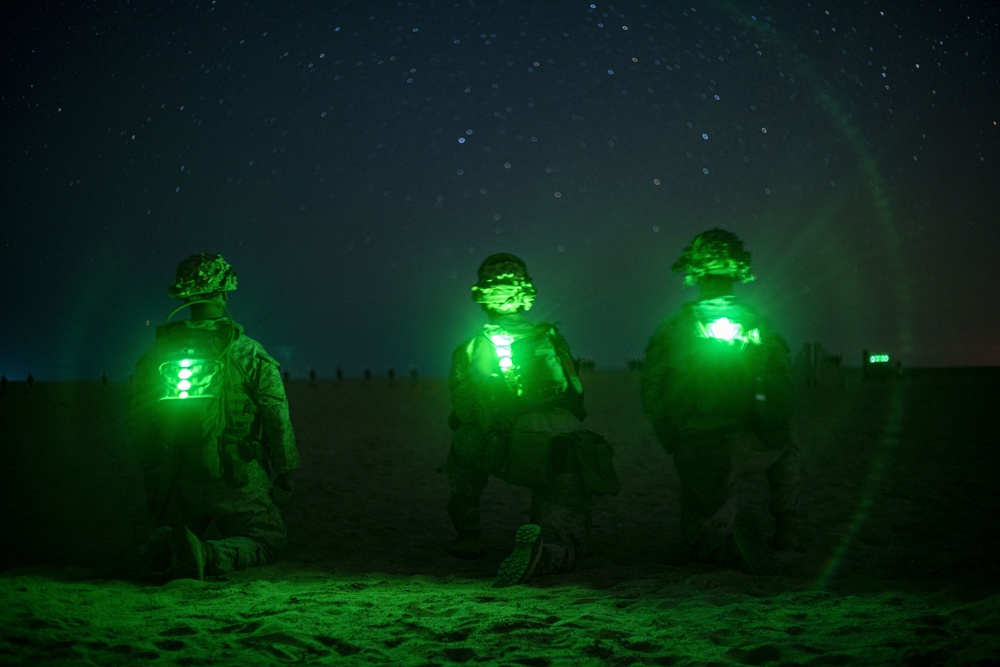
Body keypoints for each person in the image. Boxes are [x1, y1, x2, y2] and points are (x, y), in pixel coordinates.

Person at [114, 253, 300, 581]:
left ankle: (160, 550)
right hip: (236, 476)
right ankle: (207, 554)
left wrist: (156, 475)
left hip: (179, 474)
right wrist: (285, 472)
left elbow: (137, 419)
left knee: (167, 533)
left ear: (184, 295)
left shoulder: (154, 356)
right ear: (224, 292)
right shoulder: (248, 352)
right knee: (269, 540)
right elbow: (276, 414)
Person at [443, 253, 619, 587]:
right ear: (526, 292)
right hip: (561, 452)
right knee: (567, 539)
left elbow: (466, 411)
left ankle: (468, 537)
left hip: (505, 448)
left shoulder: (469, 349)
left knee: (462, 444)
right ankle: (545, 553)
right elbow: (577, 396)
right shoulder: (552, 339)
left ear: (482, 294)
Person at [640, 229, 800, 573]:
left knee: (703, 535)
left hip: (701, 443)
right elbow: (783, 381)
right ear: (736, 271)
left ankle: (725, 544)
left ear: (695, 271)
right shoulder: (760, 323)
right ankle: (786, 528)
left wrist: (671, 437)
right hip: (760, 442)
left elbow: (652, 388)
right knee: (788, 453)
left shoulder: (673, 328)